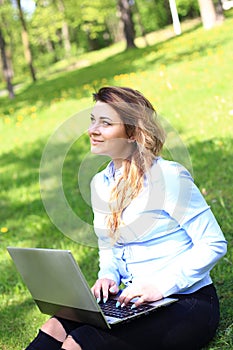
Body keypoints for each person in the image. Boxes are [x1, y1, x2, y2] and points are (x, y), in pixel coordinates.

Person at [26, 86, 227, 350]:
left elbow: (213, 244)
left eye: (105, 123)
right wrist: (108, 275)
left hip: (186, 302)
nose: (92, 130)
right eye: (92, 120)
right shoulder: (100, 183)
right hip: (131, 301)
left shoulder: (167, 177)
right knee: (53, 327)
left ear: (132, 132)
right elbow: (109, 244)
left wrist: (161, 286)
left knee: (78, 343)